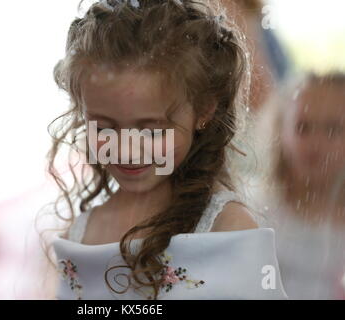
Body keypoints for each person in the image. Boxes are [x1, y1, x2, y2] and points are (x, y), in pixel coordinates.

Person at [43, 0, 287, 300]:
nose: (127, 149)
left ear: (203, 110)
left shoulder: (228, 230)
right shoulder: (79, 233)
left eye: (152, 130)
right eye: (105, 127)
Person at [254, 72, 345, 299]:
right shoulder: (251, 211)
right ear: (280, 131)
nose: (317, 144)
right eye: (303, 127)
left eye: (333, 129)